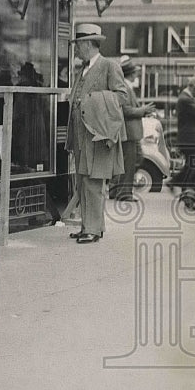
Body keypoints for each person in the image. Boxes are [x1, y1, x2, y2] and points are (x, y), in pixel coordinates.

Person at [65, 24, 130, 244]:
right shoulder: (83, 68)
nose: (75, 50)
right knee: (83, 181)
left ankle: (91, 229)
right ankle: (91, 226)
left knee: (93, 183)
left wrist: (92, 101)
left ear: (87, 44)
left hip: (99, 135)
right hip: (82, 135)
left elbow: (122, 96)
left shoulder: (109, 66)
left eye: (78, 45)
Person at [110, 58, 156, 202]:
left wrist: (142, 111)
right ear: (130, 73)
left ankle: (116, 189)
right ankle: (123, 193)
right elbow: (125, 110)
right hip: (128, 132)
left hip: (129, 132)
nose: (137, 74)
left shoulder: (126, 87)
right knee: (130, 162)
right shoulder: (125, 87)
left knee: (131, 161)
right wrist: (143, 110)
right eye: (135, 72)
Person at [172, 73, 195, 210]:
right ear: (192, 86)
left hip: (188, 138)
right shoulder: (185, 99)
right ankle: (177, 185)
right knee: (192, 168)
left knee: (190, 166)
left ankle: (185, 192)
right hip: (190, 139)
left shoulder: (186, 98)